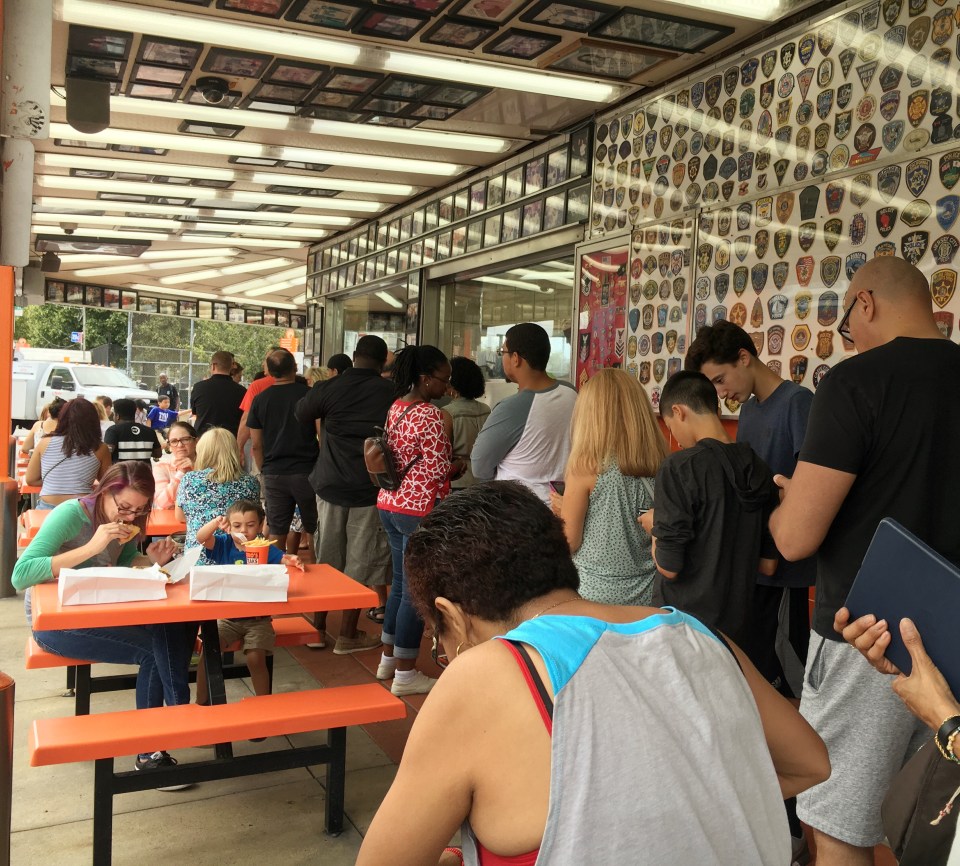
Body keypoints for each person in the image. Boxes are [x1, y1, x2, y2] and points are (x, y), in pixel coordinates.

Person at [356, 482, 830, 866]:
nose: (447, 654)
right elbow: (811, 763)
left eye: (439, 643)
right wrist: (684, 810)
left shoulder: (484, 674)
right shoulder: (701, 635)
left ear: (452, 617)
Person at [769, 256, 960, 866]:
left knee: (840, 828)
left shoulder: (856, 383)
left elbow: (795, 539)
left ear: (865, 304)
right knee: (933, 823)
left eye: (847, 323)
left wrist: (785, 504)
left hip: (868, 638)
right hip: (955, 640)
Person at [686, 320, 815, 866]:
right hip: (753, 577)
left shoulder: (798, 405)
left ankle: (804, 825)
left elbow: (810, 493)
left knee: (793, 697)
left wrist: (782, 503)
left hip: (786, 577)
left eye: (721, 379)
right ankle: (772, 817)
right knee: (755, 691)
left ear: (745, 357)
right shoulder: (755, 412)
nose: (721, 393)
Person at [12, 461, 191, 785]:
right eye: (124, 508)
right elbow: (20, 574)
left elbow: (123, 563)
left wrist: (151, 560)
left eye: (139, 511)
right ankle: (151, 751)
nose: (129, 517)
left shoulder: (126, 523)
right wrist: (91, 547)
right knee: (152, 653)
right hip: (54, 624)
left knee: (171, 627)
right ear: (104, 492)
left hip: (101, 612)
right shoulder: (72, 515)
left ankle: (179, 716)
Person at [641, 371, 779, 653]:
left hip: (685, 628)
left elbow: (669, 566)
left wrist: (655, 526)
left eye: (670, 427)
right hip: (738, 631)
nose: (676, 439)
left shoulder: (680, 467)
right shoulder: (760, 469)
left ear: (678, 412)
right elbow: (768, 565)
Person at [296, 335, 395, 649]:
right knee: (361, 563)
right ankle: (347, 635)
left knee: (326, 561)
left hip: (330, 485)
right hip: (369, 489)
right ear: (383, 361)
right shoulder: (390, 392)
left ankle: (318, 629)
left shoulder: (330, 387)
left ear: (354, 356)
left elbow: (301, 413)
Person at [551, 368, 667, 606]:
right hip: (646, 594)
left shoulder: (585, 466)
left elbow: (569, 541)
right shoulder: (661, 463)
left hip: (593, 595)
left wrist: (562, 512)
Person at [376, 345, 453, 695]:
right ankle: (405, 674)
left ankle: (388, 659)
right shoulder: (431, 414)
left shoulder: (397, 407)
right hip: (418, 509)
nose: (447, 386)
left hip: (390, 503)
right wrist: (456, 466)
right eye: (443, 379)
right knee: (413, 592)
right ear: (425, 379)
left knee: (399, 585)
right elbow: (437, 469)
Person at [193, 498, 304, 705]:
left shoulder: (265, 547)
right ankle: (201, 702)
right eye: (237, 525)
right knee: (209, 653)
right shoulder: (223, 544)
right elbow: (201, 538)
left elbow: (284, 558)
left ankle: (263, 705)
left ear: (261, 526)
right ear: (229, 526)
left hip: (258, 619)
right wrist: (216, 523)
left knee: (255, 658)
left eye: (250, 525)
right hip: (227, 618)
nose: (244, 530)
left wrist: (292, 559)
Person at [471, 322, 577, 504]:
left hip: (520, 510)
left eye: (502, 352)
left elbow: (480, 467)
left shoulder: (511, 408)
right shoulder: (571, 392)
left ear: (516, 358)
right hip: (564, 504)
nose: (502, 358)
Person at [247, 349, 319, 561]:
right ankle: (316, 569)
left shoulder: (260, 400)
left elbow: (256, 444)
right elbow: (321, 434)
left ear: (269, 372)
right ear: (295, 368)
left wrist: (264, 469)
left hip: (274, 472)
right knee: (313, 526)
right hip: (307, 471)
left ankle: (277, 570)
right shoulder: (309, 395)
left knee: (277, 527)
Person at [176, 428, 260, 564]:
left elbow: (180, 516)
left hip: (198, 559)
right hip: (241, 557)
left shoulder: (189, 479)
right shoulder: (250, 482)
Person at [26, 397, 112, 510]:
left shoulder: (44, 443)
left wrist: (55, 482)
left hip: (48, 509)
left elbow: (31, 479)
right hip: (82, 508)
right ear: (94, 421)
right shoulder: (100, 448)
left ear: (62, 418)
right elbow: (107, 482)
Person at [441, 357, 490, 490]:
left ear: (453, 382)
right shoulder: (486, 409)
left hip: (458, 480)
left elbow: (443, 454)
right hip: (482, 478)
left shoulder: (447, 413)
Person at [237, 346, 279, 460]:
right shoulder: (301, 386)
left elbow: (247, 420)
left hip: (265, 454)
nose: (263, 364)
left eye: (266, 360)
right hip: (299, 456)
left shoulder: (257, 386)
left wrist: (239, 448)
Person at [190, 351, 246, 436]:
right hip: (229, 438)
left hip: (204, 438)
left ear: (213, 366)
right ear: (231, 368)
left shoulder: (199, 387)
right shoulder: (242, 391)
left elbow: (195, 412)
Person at [152, 420, 197, 510]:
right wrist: (181, 473)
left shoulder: (207, 465)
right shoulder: (161, 467)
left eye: (185, 439)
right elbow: (162, 503)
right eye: (174, 441)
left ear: (196, 441)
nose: (180, 445)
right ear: (169, 446)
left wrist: (195, 469)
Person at [104, 398, 161, 464]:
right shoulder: (150, 431)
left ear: (117, 416)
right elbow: (158, 454)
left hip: (122, 470)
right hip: (144, 470)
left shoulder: (113, 430)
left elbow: (107, 454)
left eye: (114, 414)